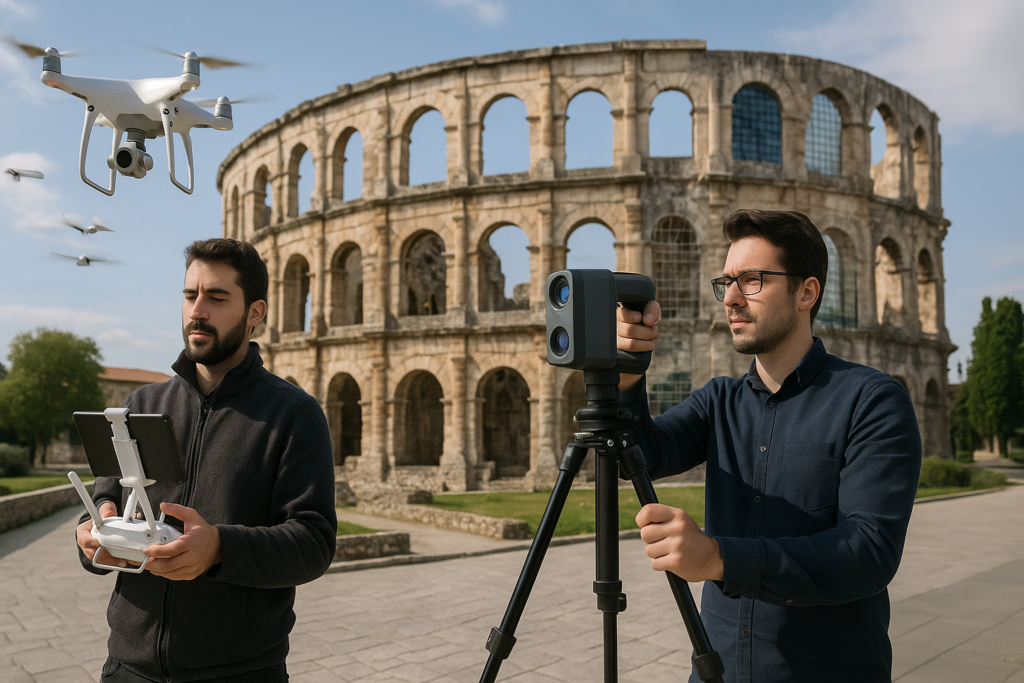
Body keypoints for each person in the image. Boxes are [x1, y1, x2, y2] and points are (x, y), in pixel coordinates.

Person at [616, 209, 921, 683]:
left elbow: (869, 552)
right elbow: (640, 454)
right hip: (718, 671)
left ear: (807, 292)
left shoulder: (872, 400)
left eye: (753, 280)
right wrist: (628, 376)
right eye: (727, 282)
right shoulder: (717, 401)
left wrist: (719, 558)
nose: (732, 298)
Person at [75, 238, 337, 683]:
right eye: (189, 295)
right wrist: (95, 532)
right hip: (127, 666)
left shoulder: (294, 414)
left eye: (216, 297)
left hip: (239, 671)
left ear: (256, 313)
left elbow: (313, 543)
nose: (197, 310)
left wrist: (219, 549)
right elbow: (106, 495)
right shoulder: (141, 403)